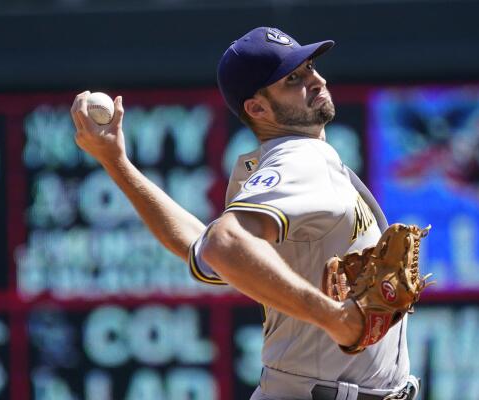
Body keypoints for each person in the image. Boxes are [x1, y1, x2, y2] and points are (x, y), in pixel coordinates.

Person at [71, 26, 420, 400]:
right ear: (257, 108)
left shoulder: (276, 165)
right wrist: (336, 320)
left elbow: (199, 244)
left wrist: (116, 162)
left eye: (311, 67)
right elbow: (224, 244)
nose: (316, 80)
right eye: (293, 79)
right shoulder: (303, 157)